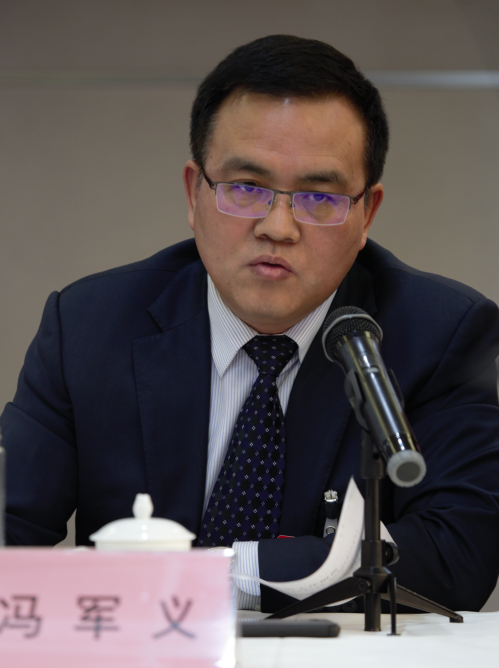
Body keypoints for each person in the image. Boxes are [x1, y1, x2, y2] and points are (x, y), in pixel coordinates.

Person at [1, 35, 499, 614]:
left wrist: (212, 578)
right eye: (246, 188)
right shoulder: (90, 327)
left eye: (319, 197)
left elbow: (460, 554)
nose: (278, 227)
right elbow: (11, 530)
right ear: (194, 194)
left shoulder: (439, 335)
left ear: (367, 213)